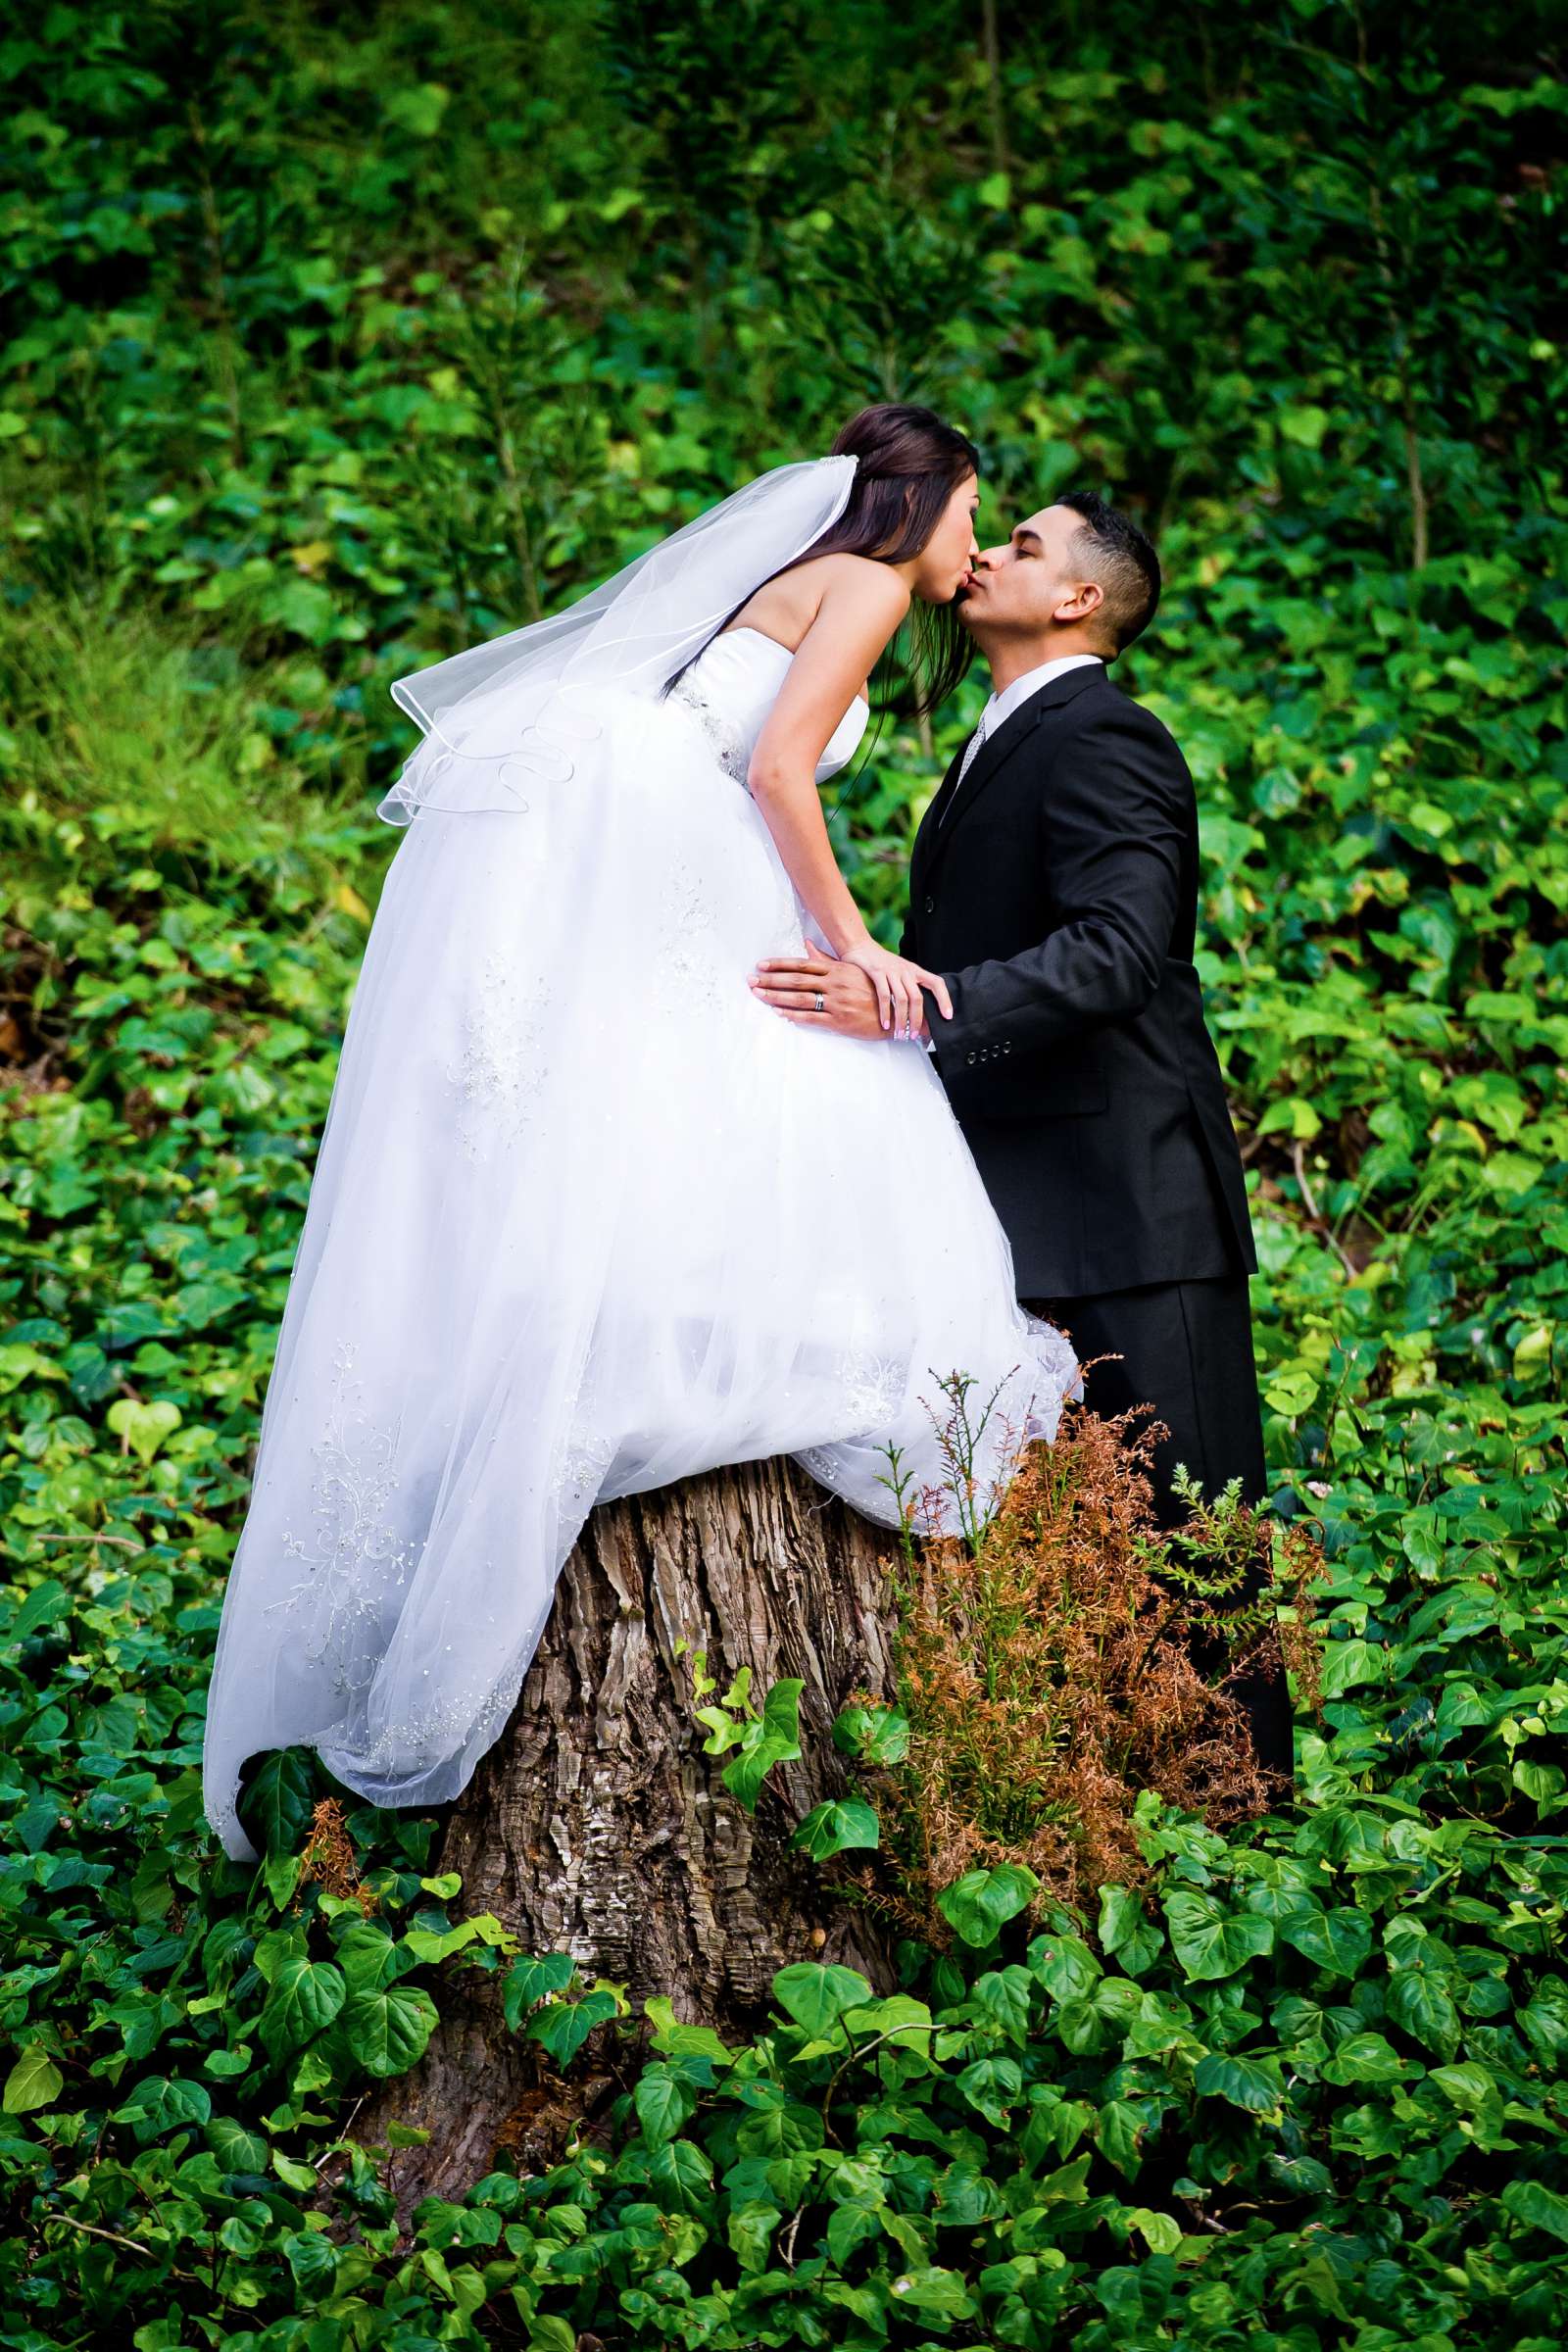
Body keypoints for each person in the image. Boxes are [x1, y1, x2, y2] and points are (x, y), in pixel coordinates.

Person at [200, 406, 1082, 1863]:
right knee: (790, 1046)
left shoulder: (787, 576)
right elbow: (782, 770)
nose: (979, 544)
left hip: (639, 819)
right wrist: (856, 944)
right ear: (914, 502)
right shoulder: (860, 577)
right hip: (681, 828)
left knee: (673, 1074)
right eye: (974, 511)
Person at [750, 492, 1295, 1781]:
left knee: (1192, 1544)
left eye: (1028, 545)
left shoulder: (1110, 737)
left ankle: (1250, 1835)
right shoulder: (1008, 737)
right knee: (1076, 1550)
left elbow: (1118, 953)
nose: (988, 550)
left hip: (1130, 1208)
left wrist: (906, 1003)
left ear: (1076, 602)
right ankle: (1108, 1826)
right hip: (1026, 1204)